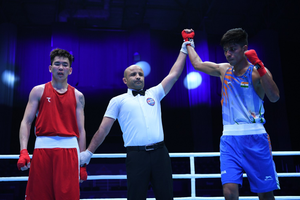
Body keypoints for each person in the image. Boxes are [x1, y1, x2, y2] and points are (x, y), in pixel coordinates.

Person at [80, 40, 192, 200]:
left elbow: (173, 75)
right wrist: (89, 153)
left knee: (166, 196)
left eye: (140, 74)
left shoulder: (154, 93)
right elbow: (103, 130)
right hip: (136, 156)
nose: (138, 76)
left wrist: (184, 50)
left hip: (161, 153)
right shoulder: (117, 101)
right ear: (125, 80)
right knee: (136, 197)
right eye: (133, 74)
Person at [182, 28, 281, 199]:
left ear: (244, 48)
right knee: (229, 192)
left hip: (255, 137)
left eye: (233, 48)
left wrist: (260, 65)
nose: (228, 53)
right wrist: (188, 42)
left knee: (265, 195)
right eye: (225, 50)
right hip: (229, 138)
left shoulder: (257, 72)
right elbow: (198, 64)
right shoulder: (223, 70)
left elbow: (274, 97)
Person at [17, 48, 87, 200]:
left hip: (70, 151)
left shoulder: (78, 96)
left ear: (70, 70)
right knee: (39, 196)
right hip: (42, 149)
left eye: (64, 64)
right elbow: (26, 121)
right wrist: (23, 150)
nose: (61, 67)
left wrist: (82, 164)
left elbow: (81, 130)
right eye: (57, 64)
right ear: (50, 68)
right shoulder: (38, 91)